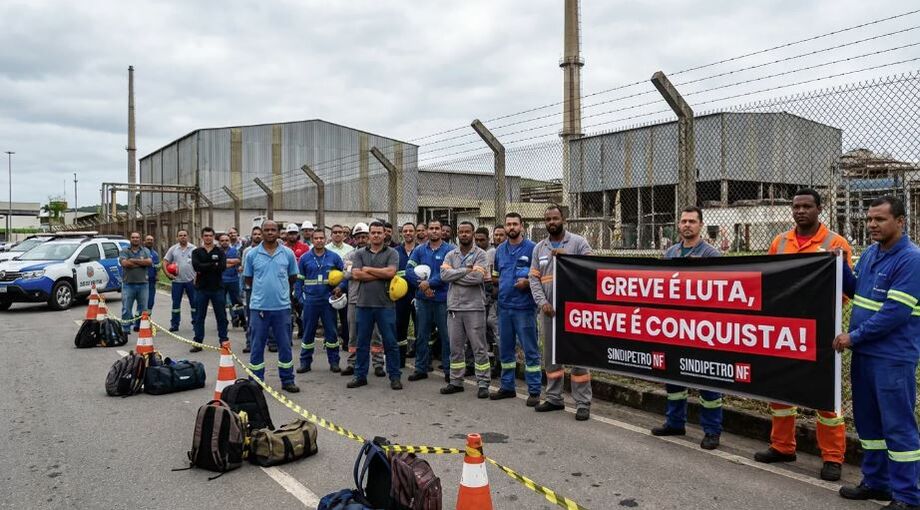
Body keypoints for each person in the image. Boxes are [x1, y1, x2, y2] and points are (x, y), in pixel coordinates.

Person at [755, 188, 852, 481]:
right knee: (781, 390)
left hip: (821, 332)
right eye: (796, 207)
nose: (800, 211)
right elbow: (769, 280)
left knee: (825, 396)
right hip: (785, 330)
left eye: (807, 206)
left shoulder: (835, 243)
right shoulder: (780, 242)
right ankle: (782, 446)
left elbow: (845, 291)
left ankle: (832, 457)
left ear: (819, 209)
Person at [836, 196, 920, 508]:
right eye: (870, 219)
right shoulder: (872, 253)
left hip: (892, 357)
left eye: (880, 219)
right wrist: (838, 265)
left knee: (897, 426)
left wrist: (853, 337)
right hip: (865, 355)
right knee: (869, 424)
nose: (872, 224)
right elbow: (858, 291)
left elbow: (894, 313)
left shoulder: (911, 260)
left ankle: (907, 495)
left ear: (900, 222)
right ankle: (876, 482)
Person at [651, 206, 723, 447]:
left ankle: (712, 430)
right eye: (683, 221)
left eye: (692, 221)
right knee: (673, 377)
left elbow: (722, 287)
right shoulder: (671, 252)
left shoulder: (711, 254)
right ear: (678, 225)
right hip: (675, 326)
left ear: (700, 225)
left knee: (706, 379)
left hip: (702, 328)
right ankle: (675, 422)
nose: (687, 225)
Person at [530, 205, 594, 421]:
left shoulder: (578, 243)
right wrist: (542, 303)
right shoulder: (539, 248)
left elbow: (591, 268)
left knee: (578, 356)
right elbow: (534, 278)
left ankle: (582, 403)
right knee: (551, 357)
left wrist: (568, 257)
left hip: (575, 311)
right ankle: (554, 398)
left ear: (563, 219)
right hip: (549, 312)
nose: (551, 222)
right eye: (548, 219)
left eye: (555, 218)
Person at [243, 220, 300, 393]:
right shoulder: (252, 254)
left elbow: (292, 277)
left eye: (273, 230)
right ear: (261, 232)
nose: (269, 232)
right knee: (257, 346)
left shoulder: (288, 254)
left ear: (278, 232)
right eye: (266, 230)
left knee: (285, 346)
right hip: (259, 308)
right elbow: (248, 279)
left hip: (282, 307)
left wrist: (281, 291)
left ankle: (287, 380)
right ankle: (256, 381)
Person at [490, 212, 540, 406]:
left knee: (530, 350)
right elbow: (495, 276)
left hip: (524, 308)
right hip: (504, 307)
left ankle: (534, 391)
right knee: (506, 350)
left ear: (522, 226)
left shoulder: (533, 248)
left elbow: (540, 276)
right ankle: (507, 386)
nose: (511, 227)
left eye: (515, 224)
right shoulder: (500, 250)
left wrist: (527, 282)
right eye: (508, 224)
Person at [346, 221, 403, 390]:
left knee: (390, 343)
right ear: (369, 235)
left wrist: (368, 269)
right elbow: (356, 274)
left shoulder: (392, 253)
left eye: (379, 232)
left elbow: (391, 272)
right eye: (373, 232)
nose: (376, 235)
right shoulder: (359, 254)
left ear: (385, 234)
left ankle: (395, 377)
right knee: (362, 343)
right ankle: (360, 376)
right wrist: (381, 273)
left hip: (385, 305)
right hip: (363, 305)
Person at [440, 221, 491, 398]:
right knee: (455, 347)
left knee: (479, 348)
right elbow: (443, 275)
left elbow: (477, 278)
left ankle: (483, 383)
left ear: (473, 233)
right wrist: (465, 270)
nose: (464, 234)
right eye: (461, 232)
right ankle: (456, 381)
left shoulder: (481, 255)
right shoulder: (450, 255)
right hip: (454, 307)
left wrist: (455, 274)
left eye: (467, 231)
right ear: (457, 234)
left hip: (474, 307)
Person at [405, 219, 454, 383]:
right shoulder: (419, 250)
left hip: (442, 299)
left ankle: (448, 370)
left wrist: (430, 284)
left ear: (441, 230)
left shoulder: (450, 250)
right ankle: (421, 368)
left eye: (437, 228)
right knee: (422, 335)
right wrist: (422, 286)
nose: (434, 231)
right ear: (427, 231)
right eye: (431, 228)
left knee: (446, 336)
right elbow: (409, 270)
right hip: (423, 299)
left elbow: (448, 273)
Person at [338, 223, 386, 376]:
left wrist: (360, 272)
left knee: (376, 334)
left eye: (364, 236)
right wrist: (372, 273)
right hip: (355, 299)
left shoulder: (377, 254)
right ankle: (352, 363)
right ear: (354, 239)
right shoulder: (350, 256)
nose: (361, 240)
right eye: (358, 237)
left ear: (369, 237)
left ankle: (378, 364)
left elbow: (384, 273)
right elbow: (347, 274)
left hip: (374, 299)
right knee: (353, 334)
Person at [296, 229, 344, 373]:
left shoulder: (334, 257)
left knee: (331, 333)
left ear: (325, 239)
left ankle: (334, 362)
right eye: (316, 238)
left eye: (321, 238)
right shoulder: (304, 258)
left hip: (327, 301)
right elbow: (299, 280)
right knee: (308, 333)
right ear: (312, 240)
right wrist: (300, 298)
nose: (319, 241)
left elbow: (344, 276)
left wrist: (340, 288)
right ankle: (305, 362)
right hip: (310, 301)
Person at [190, 227, 228, 352]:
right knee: (199, 317)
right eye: (206, 235)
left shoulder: (220, 251)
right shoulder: (196, 252)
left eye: (210, 235)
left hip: (217, 289)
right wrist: (213, 264)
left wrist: (204, 266)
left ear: (213, 237)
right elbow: (196, 266)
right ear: (202, 237)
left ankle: (224, 341)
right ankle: (198, 342)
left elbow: (222, 267)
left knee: (221, 317)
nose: (208, 238)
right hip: (201, 289)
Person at [475, 227, 501, 376]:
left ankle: (498, 363)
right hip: (481, 293)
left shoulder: (492, 253)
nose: (479, 242)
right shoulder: (475, 253)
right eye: (477, 240)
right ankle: (490, 362)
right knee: (484, 329)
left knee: (492, 326)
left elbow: (492, 277)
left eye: (482, 240)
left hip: (491, 292)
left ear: (488, 239)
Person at [163, 229, 197, 332]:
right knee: (176, 305)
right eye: (180, 235)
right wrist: (168, 274)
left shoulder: (194, 249)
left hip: (191, 281)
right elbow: (165, 262)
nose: (183, 237)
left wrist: (197, 277)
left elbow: (199, 264)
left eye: (184, 235)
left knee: (194, 304)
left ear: (188, 236)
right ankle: (175, 324)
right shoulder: (173, 249)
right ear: (177, 237)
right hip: (177, 282)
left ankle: (196, 323)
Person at [327, 224, 354, 352]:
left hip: (345, 285)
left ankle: (347, 341)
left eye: (340, 232)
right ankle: (330, 341)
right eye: (335, 232)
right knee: (330, 317)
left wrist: (342, 286)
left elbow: (349, 271)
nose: (338, 234)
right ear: (331, 234)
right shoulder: (326, 249)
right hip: (328, 286)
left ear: (344, 235)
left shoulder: (350, 250)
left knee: (345, 317)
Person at [119, 232, 152, 336]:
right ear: (130, 239)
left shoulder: (145, 250)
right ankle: (125, 329)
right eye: (133, 237)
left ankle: (143, 328)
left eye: (137, 237)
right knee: (126, 308)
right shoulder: (124, 251)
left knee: (143, 309)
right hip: (128, 284)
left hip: (143, 284)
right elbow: (125, 263)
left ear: (140, 239)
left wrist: (133, 260)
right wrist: (141, 263)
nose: (135, 239)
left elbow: (149, 262)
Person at [395, 222, 418, 366]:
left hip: (417, 294)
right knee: (400, 327)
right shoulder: (395, 251)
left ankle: (422, 362)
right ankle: (400, 359)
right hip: (400, 296)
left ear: (415, 233)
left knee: (420, 327)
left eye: (410, 230)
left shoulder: (421, 250)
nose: (408, 233)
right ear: (402, 233)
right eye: (405, 231)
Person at [219, 233, 245, 329]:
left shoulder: (234, 250)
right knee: (221, 303)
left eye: (226, 240)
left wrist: (223, 262)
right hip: (220, 281)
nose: (224, 242)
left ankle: (243, 320)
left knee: (237, 302)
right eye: (222, 241)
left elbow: (238, 261)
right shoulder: (217, 251)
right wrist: (231, 262)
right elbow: (216, 264)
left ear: (229, 241)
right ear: (219, 242)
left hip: (233, 280)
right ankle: (223, 323)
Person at [143, 234, 160, 324]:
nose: (149, 241)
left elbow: (157, 267)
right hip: (141, 281)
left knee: (150, 302)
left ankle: (147, 322)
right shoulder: (140, 252)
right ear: (144, 241)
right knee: (142, 302)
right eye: (148, 239)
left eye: (151, 240)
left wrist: (157, 275)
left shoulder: (155, 254)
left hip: (151, 281)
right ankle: (138, 323)